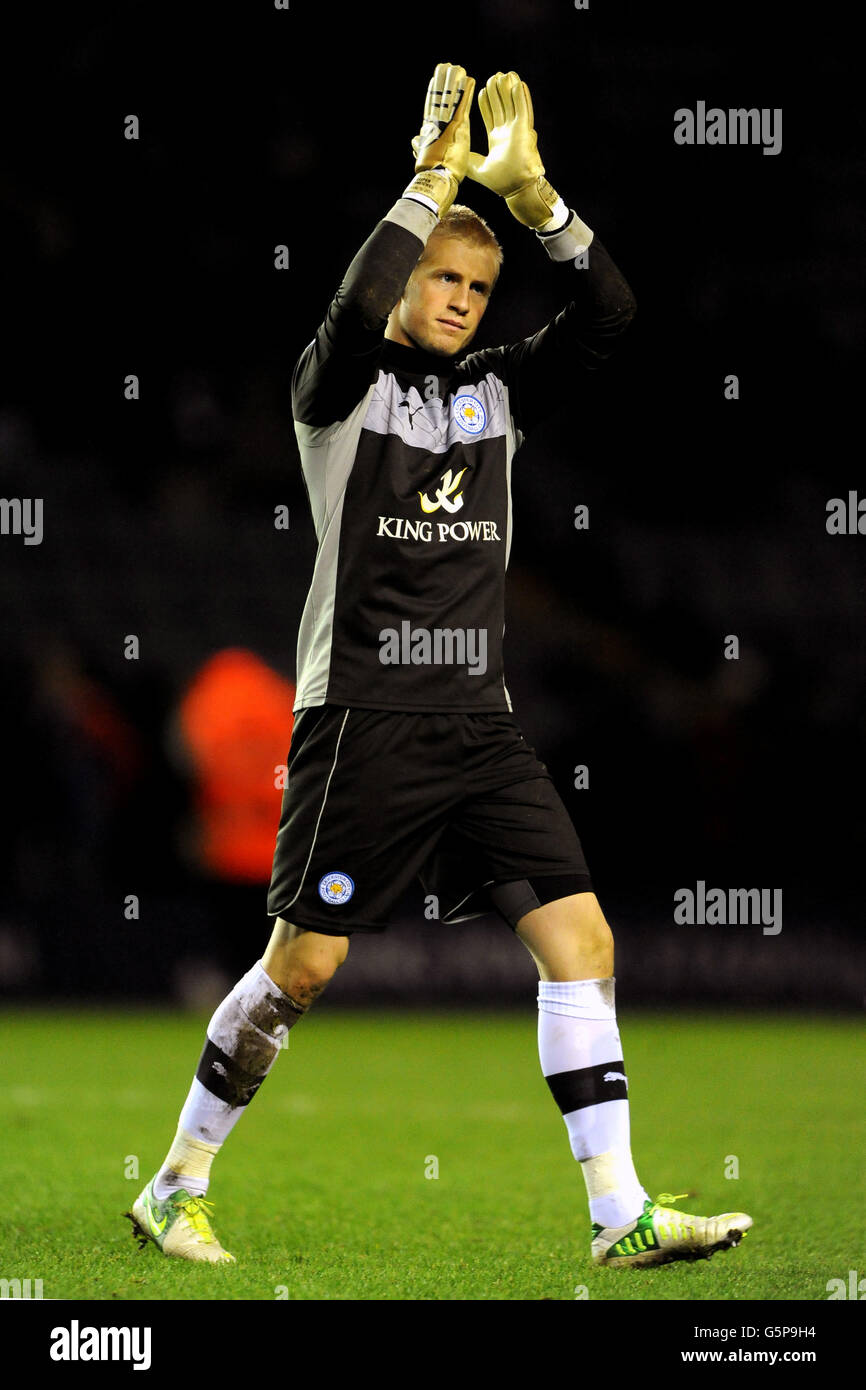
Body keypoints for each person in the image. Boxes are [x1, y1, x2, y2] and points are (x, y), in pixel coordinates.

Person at [127, 63, 752, 1271]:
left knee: (583, 942)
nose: (461, 300)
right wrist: (429, 177)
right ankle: (174, 1182)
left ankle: (617, 1211)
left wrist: (534, 203)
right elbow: (352, 311)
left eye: (477, 285)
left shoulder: (500, 397)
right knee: (303, 964)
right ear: (406, 277)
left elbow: (613, 316)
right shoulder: (335, 395)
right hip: (363, 716)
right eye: (443, 280)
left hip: (478, 725)